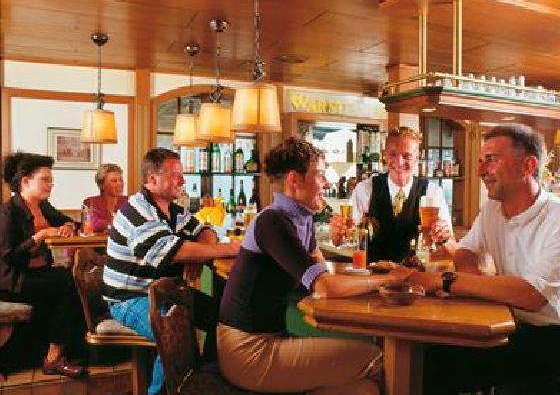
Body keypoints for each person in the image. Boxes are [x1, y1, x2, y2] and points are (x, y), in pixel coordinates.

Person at [406, 125, 560, 394]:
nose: (480, 171)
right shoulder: (493, 211)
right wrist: (473, 281)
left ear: (528, 166)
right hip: (518, 333)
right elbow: (465, 252)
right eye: (481, 161)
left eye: (492, 159)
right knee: (426, 367)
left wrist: (446, 281)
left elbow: (533, 295)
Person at [218, 138, 411, 395]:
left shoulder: (301, 219)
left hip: (269, 340)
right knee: (376, 359)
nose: (327, 183)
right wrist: (389, 279)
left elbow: (323, 275)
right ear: (294, 179)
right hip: (247, 350)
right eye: (320, 175)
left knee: (364, 389)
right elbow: (325, 287)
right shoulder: (272, 222)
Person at [102, 148, 240, 395]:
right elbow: (173, 252)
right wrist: (232, 248)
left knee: (221, 314)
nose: (182, 180)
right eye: (175, 174)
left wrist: (197, 254)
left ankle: (204, 384)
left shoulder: (172, 209)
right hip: (129, 298)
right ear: (152, 179)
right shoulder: (138, 211)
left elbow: (204, 230)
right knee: (175, 334)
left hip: (165, 294)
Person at [0, 152, 86, 377]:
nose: (51, 184)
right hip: (14, 280)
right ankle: (54, 358)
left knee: (74, 280)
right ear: (25, 181)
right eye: (45, 179)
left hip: (38, 274)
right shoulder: (7, 211)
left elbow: (67, 220)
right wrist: (39, 236)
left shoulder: (43, 206)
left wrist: (68, 225)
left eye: (51, 180)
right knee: (69, 281)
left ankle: (67, 352)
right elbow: (9, 256)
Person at [331, 126, 453, 262]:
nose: (399, 162)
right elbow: (344, 240)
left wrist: (444, 237)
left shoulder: (432, 192)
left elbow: (452, 247)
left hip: (417, 273)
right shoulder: (365, 189)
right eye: (393, 154)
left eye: (406, 156)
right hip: (371, 273)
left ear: (417, 157)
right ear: (385, 155)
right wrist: (337, 234)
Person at [83, 163, 127, 232]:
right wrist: (115, 224)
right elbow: (93, 224)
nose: (119, 184)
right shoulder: (91, 202)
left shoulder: (128, 201)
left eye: (121, 180)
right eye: (114, 181)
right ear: (102, 185)